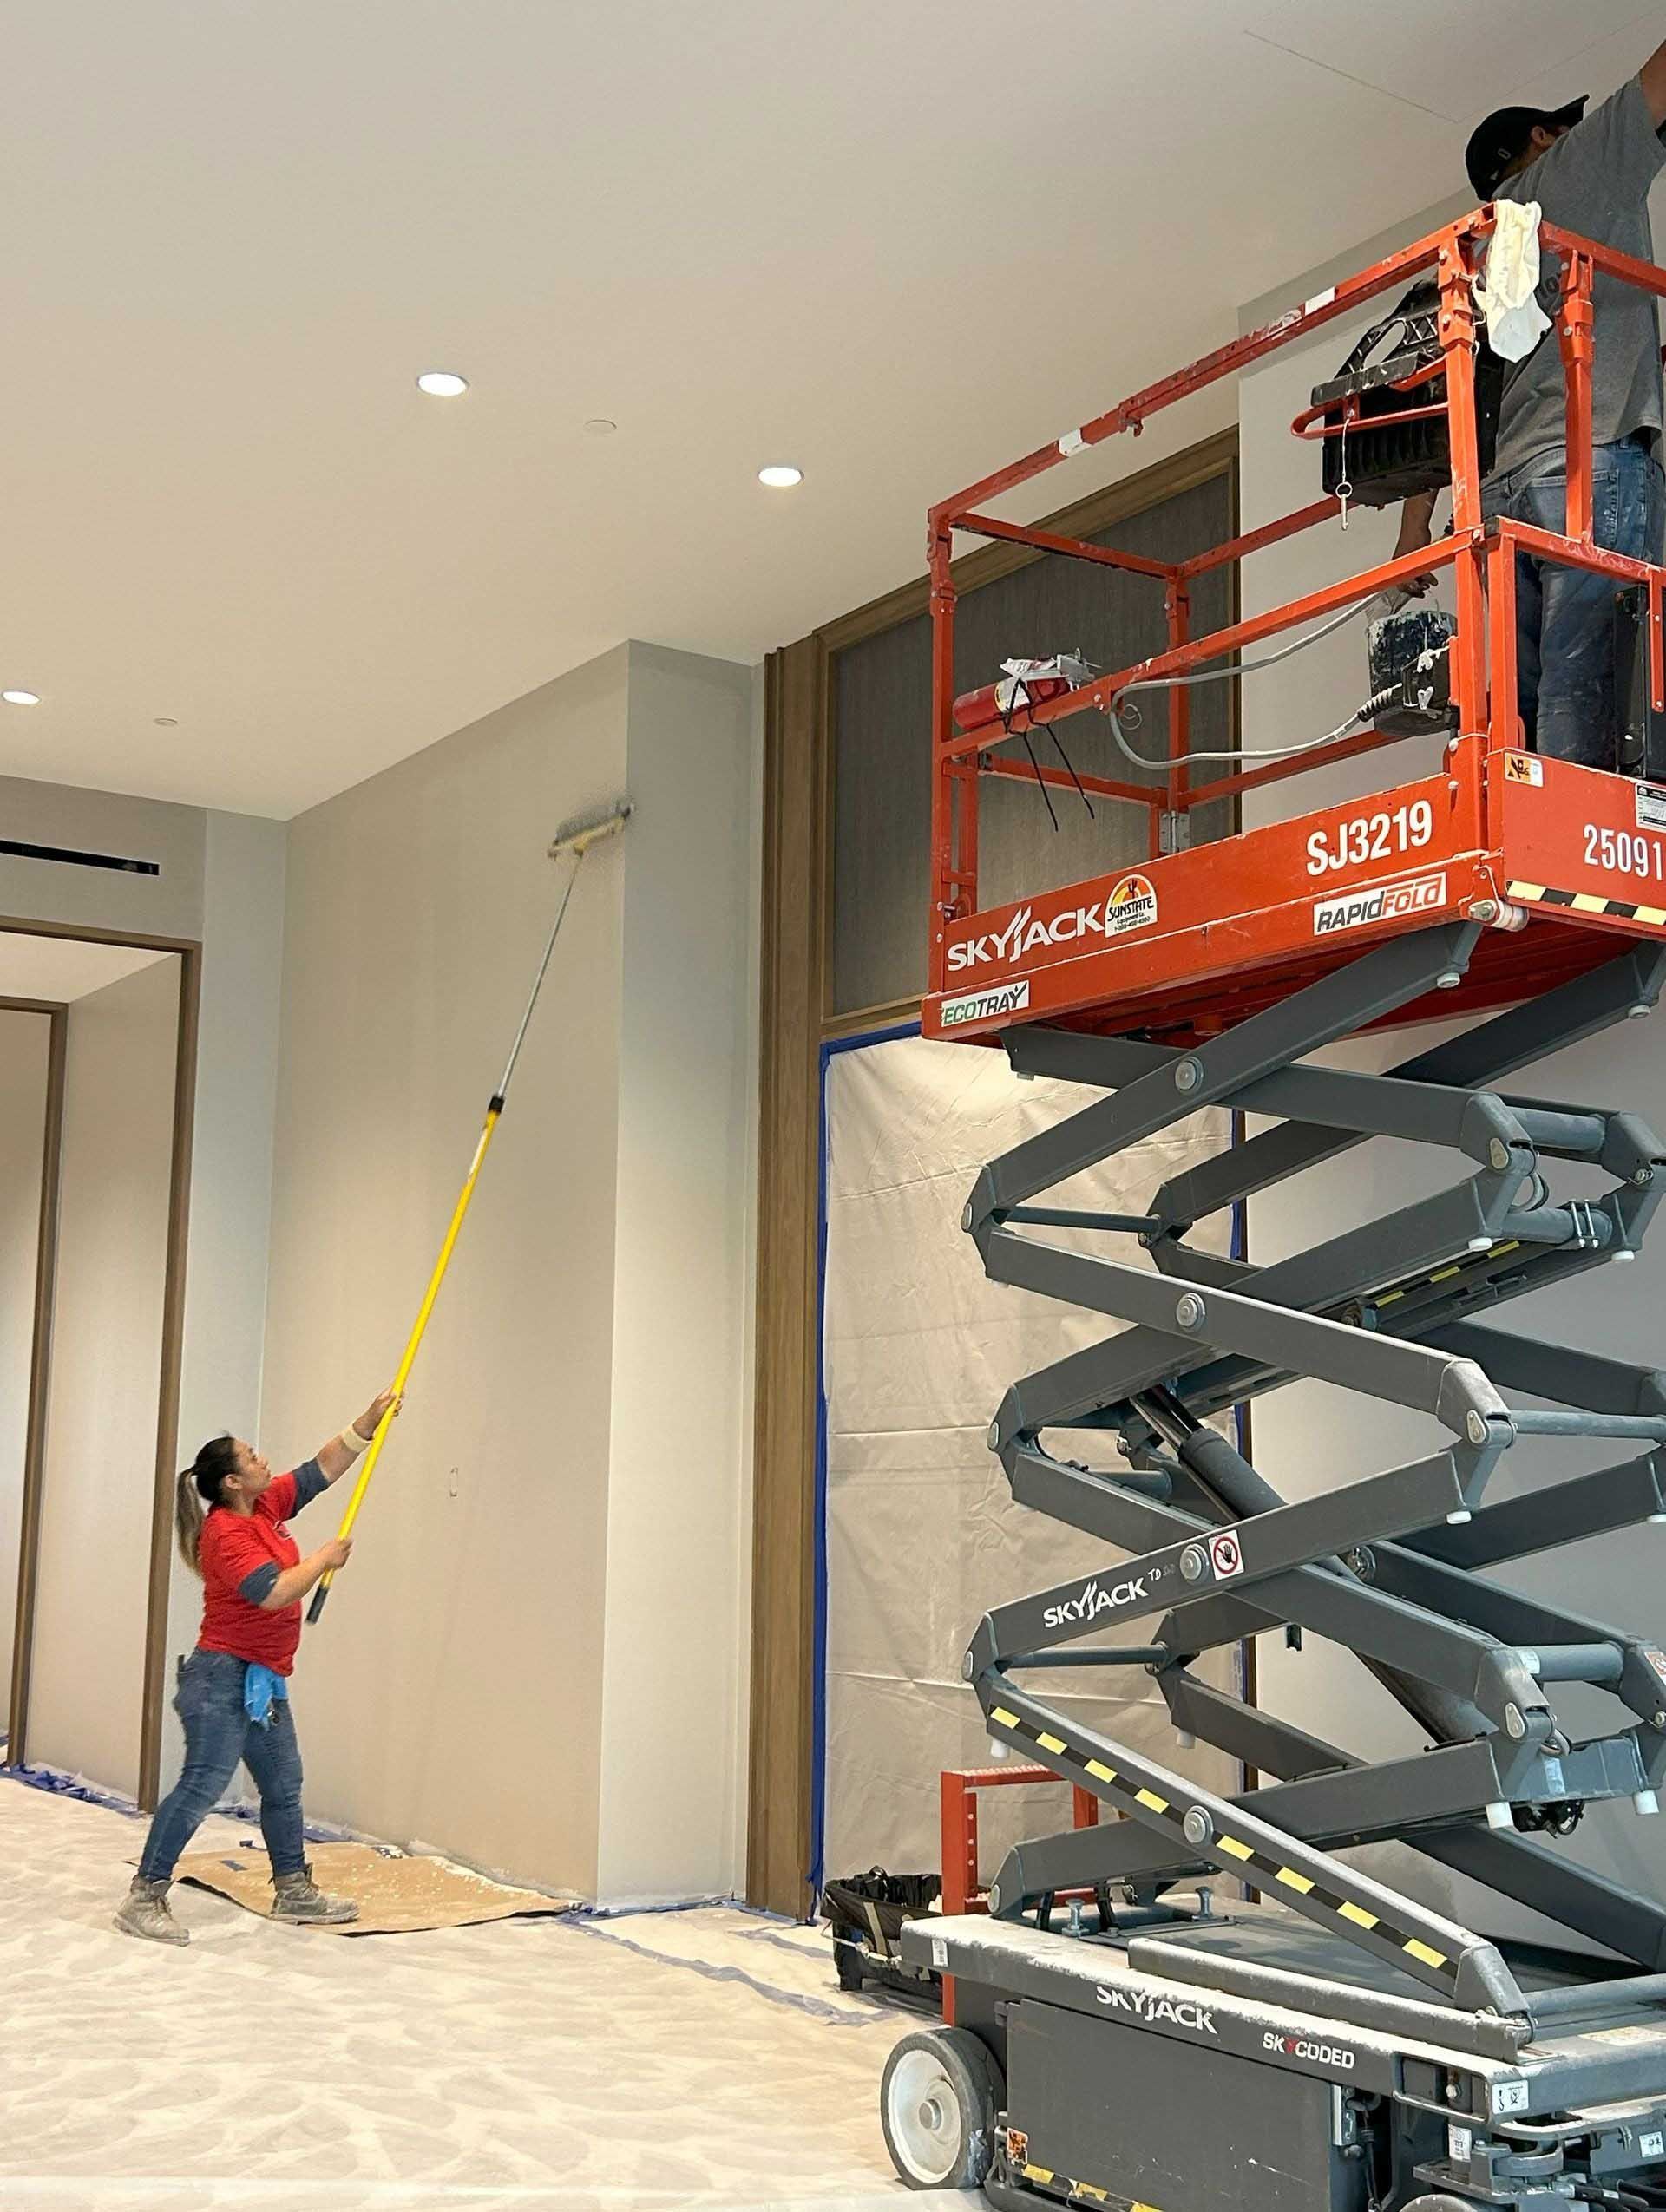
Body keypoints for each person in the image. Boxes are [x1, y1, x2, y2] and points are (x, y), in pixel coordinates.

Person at [1395, 40, 1666, 765]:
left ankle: (1531, 817)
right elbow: (1657, 85)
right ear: (1544, 137)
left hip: (1504, 489)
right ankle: (1581, 823)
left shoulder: (1475, 251)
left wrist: (1412, 532)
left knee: (1525, 690)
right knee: (1589, 676)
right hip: (1586, 460)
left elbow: (1438, 394)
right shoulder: (1574, 166)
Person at [114, 1385, 401, 1945]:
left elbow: (321, 1469)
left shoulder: (266, 1506)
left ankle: (293, 1889)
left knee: (283, 1782)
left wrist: (368, 1420)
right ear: (232, 1482)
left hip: (260, 1681)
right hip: (220, 1680)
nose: (263, 1460)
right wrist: (322, 1559)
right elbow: (271, 1593)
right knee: (201, 1786)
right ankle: (143, 1897)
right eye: (251, 1457)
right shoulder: (226, 1532)